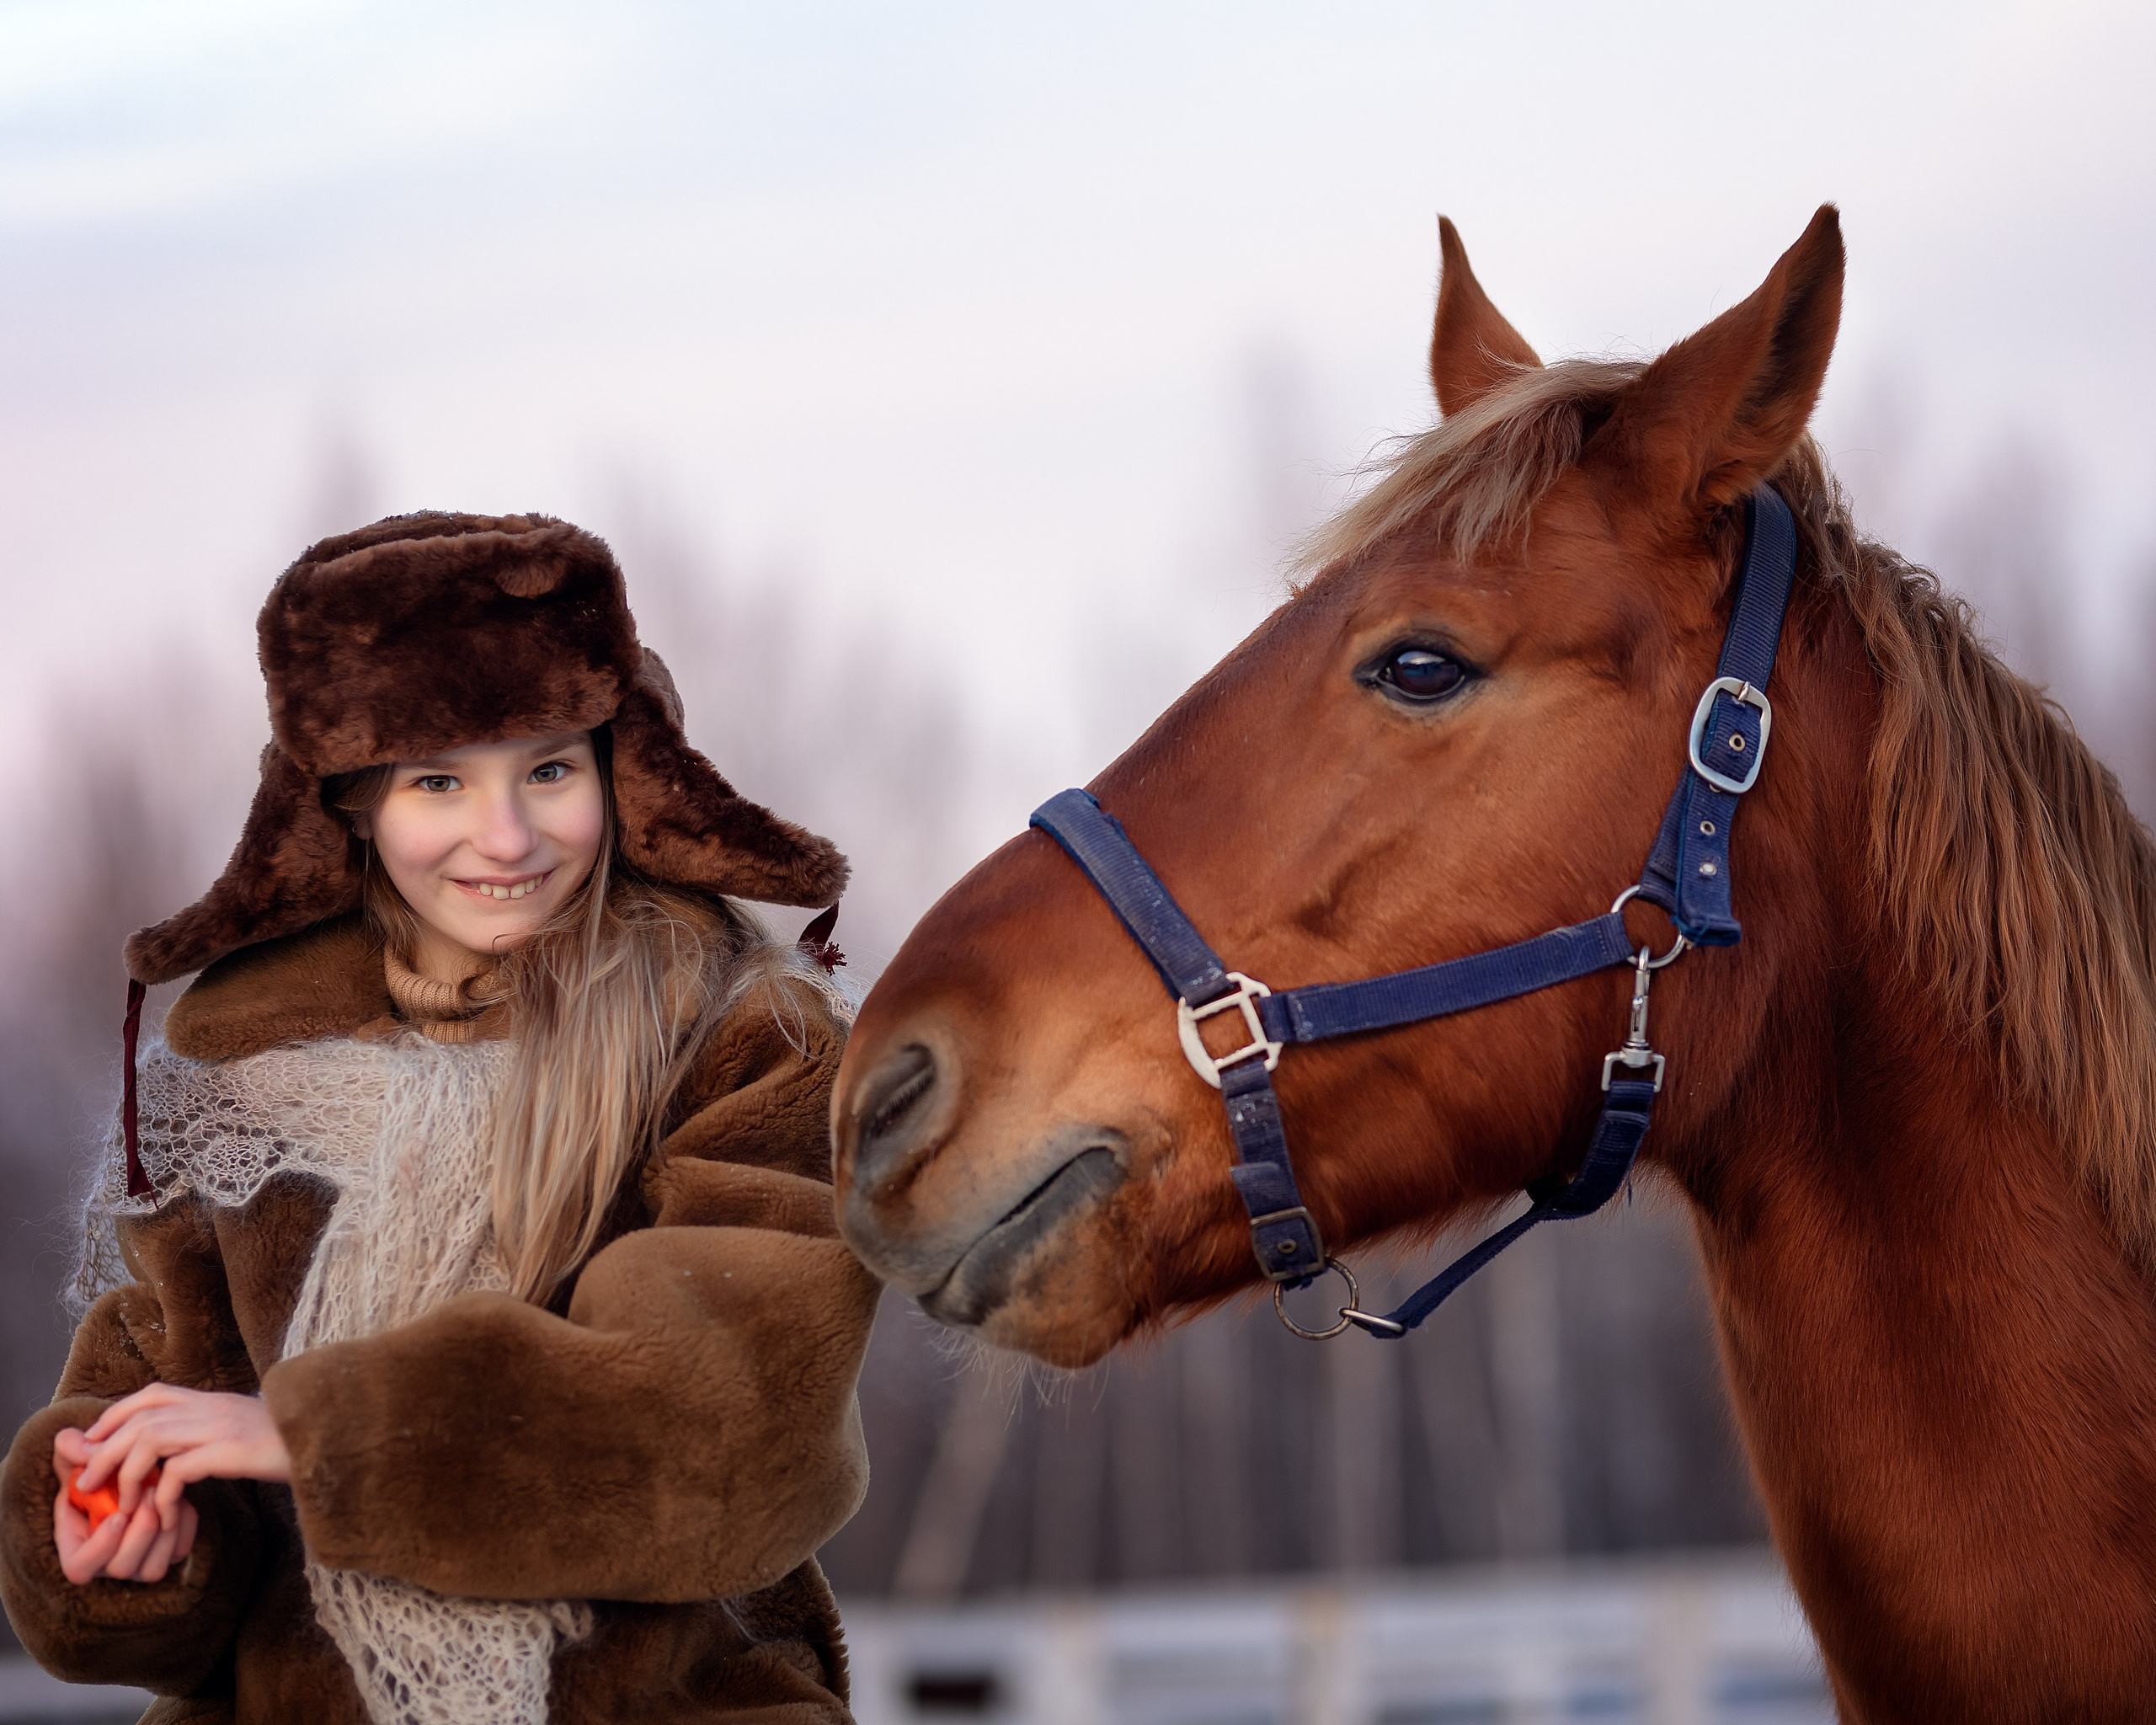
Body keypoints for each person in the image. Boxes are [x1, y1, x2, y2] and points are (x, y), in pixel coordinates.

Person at [0, 513, 880, 1725]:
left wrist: (325, 1437)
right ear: (356, 803)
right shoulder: (240, 1067)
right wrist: (128, 1545)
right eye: (438, 783)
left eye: (550, 770)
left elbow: (729, 1429)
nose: (505, 837)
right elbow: (159, 1404)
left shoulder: (743, 1037)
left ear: (622, 773)